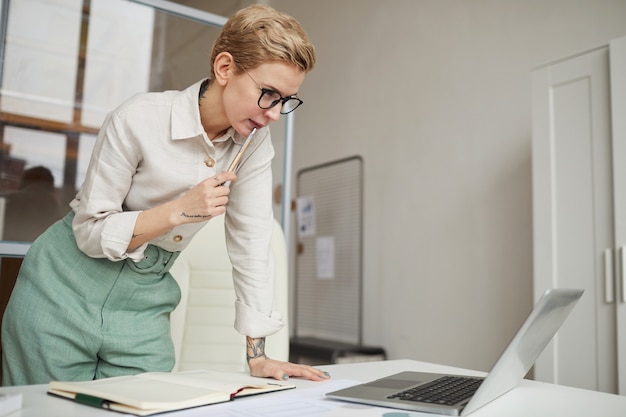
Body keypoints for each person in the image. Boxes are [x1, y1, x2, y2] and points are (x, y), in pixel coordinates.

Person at [1, 4, 328, 386]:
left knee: (148, 405)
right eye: (268, 93)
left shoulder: (254, 143)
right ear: (225, 68)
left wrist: (257, 355)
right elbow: (89, 231)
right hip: (61, 289)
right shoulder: (138, 118)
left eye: (286, 100)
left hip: (144, 303)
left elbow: (253, 244)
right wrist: (179, 211)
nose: (274, 113)